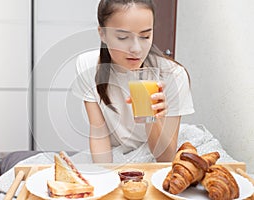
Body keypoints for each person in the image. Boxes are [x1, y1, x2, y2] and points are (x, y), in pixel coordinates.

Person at [72, 0, 194, 163]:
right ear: (102, 33)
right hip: (117, 155)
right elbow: (99, 135)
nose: (136, 49)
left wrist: (153, 119)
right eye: (123, 37)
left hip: (156, 159)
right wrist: (105, 176)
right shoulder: (87, 66)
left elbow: (165, 157)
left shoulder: (173, 75)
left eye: (145, 36)